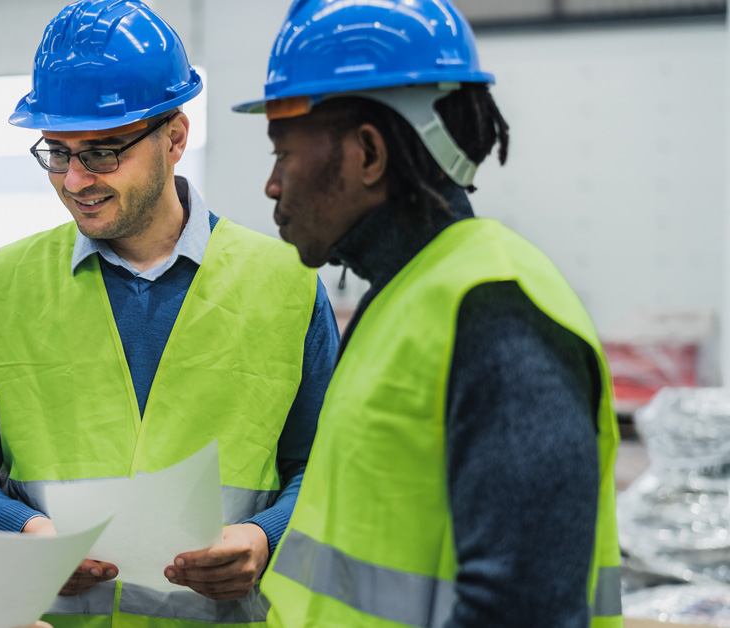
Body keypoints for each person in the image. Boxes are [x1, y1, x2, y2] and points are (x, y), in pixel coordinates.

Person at [0, 1, 340, 627]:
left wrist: (266, 537)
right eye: (56, 152)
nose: (74, 180)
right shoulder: (1, 286)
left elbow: (326, 464)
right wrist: (24, 527)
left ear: (175, 137)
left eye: (101, 152)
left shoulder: (287, 285)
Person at [233, 2, 624, 627]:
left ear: (367, 154)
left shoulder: (494, 316)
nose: (272, 185)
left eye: (283, 153)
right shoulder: (405, 294)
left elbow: (524, 613)